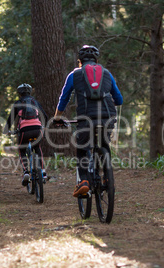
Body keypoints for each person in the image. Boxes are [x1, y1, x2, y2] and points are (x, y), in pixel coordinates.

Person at [53, 45, 123, 197]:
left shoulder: (74, 74)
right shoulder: (106, 73)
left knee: (83, 147)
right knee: (104, 145)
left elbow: (64, 98)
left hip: (86, 118)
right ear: (96, 60)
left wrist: (57, 117)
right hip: (107, 116)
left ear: (80, 61)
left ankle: (84, 181)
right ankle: (107, 179)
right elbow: (119, 99)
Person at [3, 83, 48, 186]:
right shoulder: (35, 102)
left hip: (24, 130)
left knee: (22, 149)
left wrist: (6, 131)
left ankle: (26, 172)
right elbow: (45, 116)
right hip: (37, 129)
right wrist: (44, 127)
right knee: (37, 147)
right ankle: (43, 172)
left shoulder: (18, 103)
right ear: (30, 92)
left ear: (19, 93)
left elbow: (11, 119)